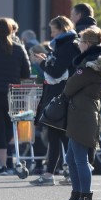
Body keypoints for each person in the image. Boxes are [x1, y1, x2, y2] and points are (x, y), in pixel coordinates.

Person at [56, 27, 101, 200]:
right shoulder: (94, 64)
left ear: (88, 44)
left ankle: (85, 197)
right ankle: (77, 194)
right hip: (82, 113)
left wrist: (71, 83)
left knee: (80, 160)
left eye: (81, 41)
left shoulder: (91, 66)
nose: (79, 45)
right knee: (71, 158)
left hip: (83, 115)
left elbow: (70, 86)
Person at [30, 16, 80, 186]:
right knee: (57, 135)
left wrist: (43, 63)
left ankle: (58, 173)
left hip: (60, 96)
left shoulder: (67, 46)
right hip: (60, 96)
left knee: (59, 135)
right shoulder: (65, 45)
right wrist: (47, 61)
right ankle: (56, 173)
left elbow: (57, 72)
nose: (51, 33)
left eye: (53, 29)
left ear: (62, 29)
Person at [0, 18, 31, 175]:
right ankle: (1, 160)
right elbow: (26, 73)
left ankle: (1, 165)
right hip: (12, 94)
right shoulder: (18, 49)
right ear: (11, 30)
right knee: (10, 127)